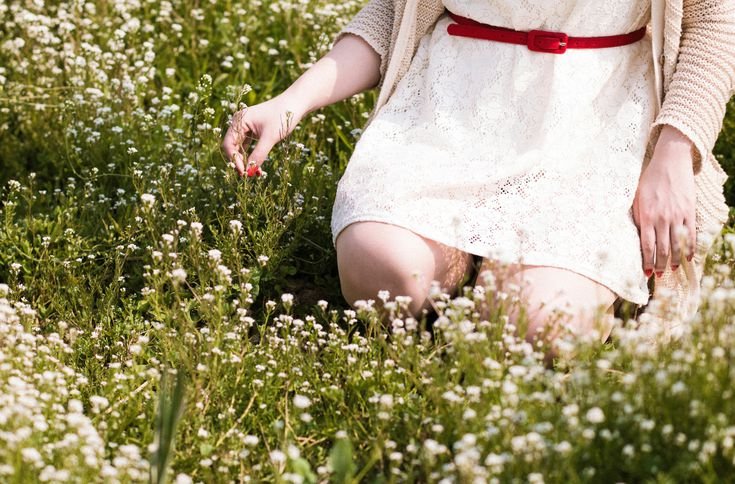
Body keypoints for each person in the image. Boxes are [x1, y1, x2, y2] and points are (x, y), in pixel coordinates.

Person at [222, 0, 733, 349]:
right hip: (450, 109)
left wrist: (673, 151)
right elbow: (394, 13)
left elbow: (715, 21)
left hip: (593, 120)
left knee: (538, 325)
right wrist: (293, 100)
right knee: (382, 277)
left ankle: (501, 283)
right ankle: (465, 271)